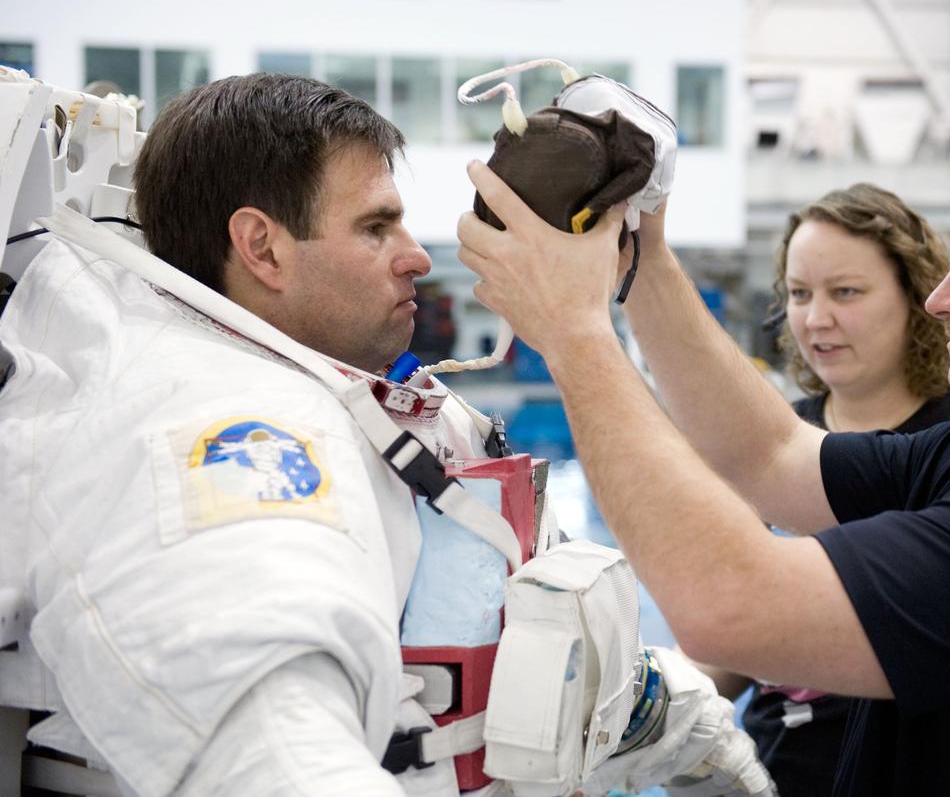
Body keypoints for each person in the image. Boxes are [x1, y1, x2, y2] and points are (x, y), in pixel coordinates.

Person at [0, 73, 769, 796]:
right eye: (377, 226)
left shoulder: (395, 407)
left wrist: (714, 747)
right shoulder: (221, 435)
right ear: (261, 246)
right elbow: (273, 745)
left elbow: (576, 661)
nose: (419, 258)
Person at [456, 135, 950, 796]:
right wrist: (644, 259)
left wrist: (572, 331)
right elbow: (772, 454)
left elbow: (731, 605)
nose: (943, 297)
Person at [732, 183, 950, 796]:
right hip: (769, 771)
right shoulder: (773, 440)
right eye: (799, 294)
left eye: (846, 292)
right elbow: (736, 622)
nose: (817, 319)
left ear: (917, 297)